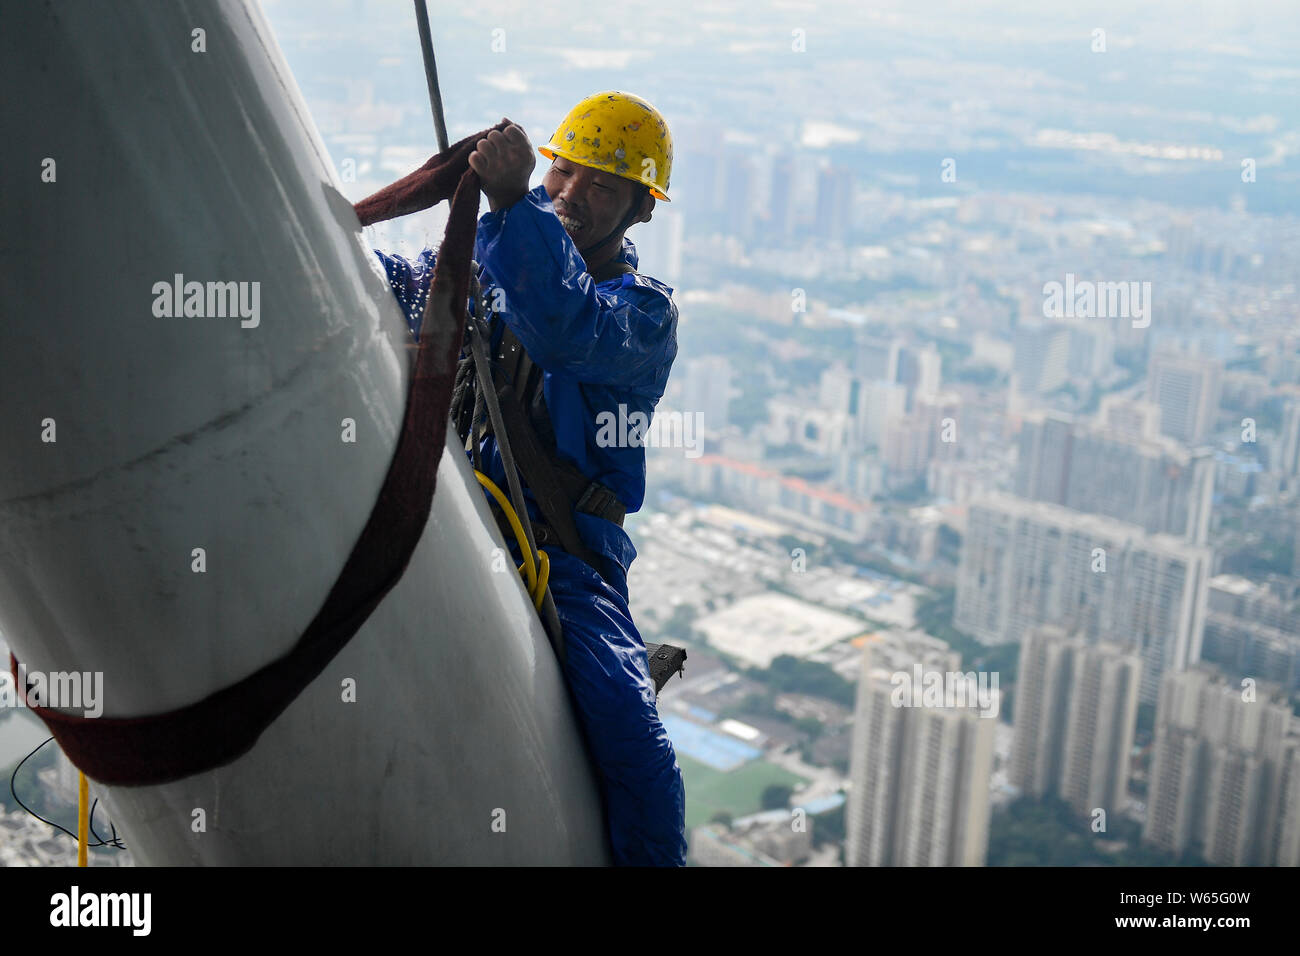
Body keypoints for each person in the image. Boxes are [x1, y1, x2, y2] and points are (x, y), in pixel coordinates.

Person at [374, 91, 687, 866]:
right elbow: (407, 288)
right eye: (565, 173)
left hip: (563, 557)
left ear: (640, 211)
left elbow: (565, 327)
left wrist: (518, 204)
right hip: (450, 499)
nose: (573, 195)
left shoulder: (641, 318)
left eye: (603, 187)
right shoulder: (494, 254)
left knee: (635, 744)